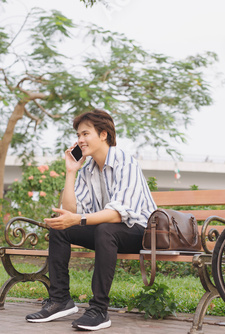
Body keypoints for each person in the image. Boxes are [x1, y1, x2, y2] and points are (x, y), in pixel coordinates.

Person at [26, 109, 157, 331]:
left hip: (141, 232)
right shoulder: (87, 170)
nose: (80, 140)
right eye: (78, 135)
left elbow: (118, 214)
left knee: (105, 229)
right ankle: (60, 300)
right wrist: (71, 172)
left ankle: (99, 310)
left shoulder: (126, 163)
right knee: (61, 227)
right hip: (106, 231)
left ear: (103, 134)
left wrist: (78, 219)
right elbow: (69, 211)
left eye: (85, 134)